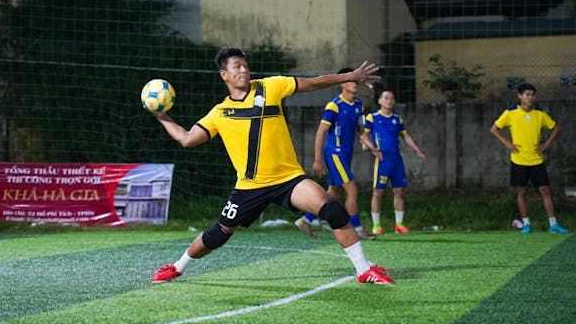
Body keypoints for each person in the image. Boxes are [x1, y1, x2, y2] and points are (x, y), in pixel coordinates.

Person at [148, 47, 393, 285]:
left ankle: (364, 270)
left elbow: (315, 82)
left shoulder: (270, 86)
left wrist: (350, 76)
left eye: (245, 65)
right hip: (250, 186)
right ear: (224, 75)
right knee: (218, 234)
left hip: (289, 179)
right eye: (237, 67)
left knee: (334, 211)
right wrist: (162, 117)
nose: (244, 70)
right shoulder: (219, 113)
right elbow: (187, 139)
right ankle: (178, 266)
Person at [294, 68, 374, 241]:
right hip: (334, 154)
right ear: (342, 83)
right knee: (352, 190)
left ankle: (305, 220)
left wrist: (372, 147)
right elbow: (321, 132)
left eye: (356, 80)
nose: (355, 83)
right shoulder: (334, 105)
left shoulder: (359, 105)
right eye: (351, 80)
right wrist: (317, 160)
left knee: (333, 193)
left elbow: (360, 132)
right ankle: (358, 229)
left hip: (346, 154)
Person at [489, 82, 569, 234]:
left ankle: (553, 224)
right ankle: (526, 224)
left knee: (545, 190)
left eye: (532, 95)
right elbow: (494, 129)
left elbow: (556, 128)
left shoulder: (540, 113)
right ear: (520, 96)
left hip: (536, 159)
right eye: (527, 95)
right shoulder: (510, 113)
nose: (530, 98)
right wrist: (508, 143)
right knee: (522, 192)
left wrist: (545, 144)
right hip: (518, 160)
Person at [358, 89, 426, 235]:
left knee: (399, 191)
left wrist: (417, 150)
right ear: (380, 101)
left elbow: (406, 137)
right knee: (378, 191)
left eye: (392, 98)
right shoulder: (372, 117)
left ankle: (399, 224)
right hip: (382, 159)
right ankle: (376, 225)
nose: (389, 100)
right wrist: (367, 145)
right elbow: (363, 135)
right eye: (386, 98)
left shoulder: (397, 119)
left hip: (396, 159)